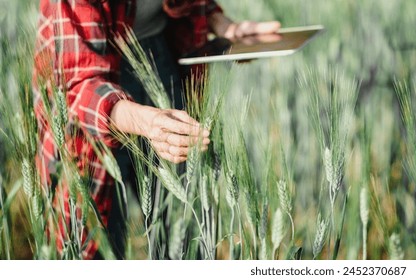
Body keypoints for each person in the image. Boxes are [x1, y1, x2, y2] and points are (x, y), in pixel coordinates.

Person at [32, 0, 280, 259]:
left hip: (160, 60)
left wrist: (222, 25)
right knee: (94, 237)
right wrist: (146, 122)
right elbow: (80, 86)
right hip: (86, 84)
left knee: (185, 233)